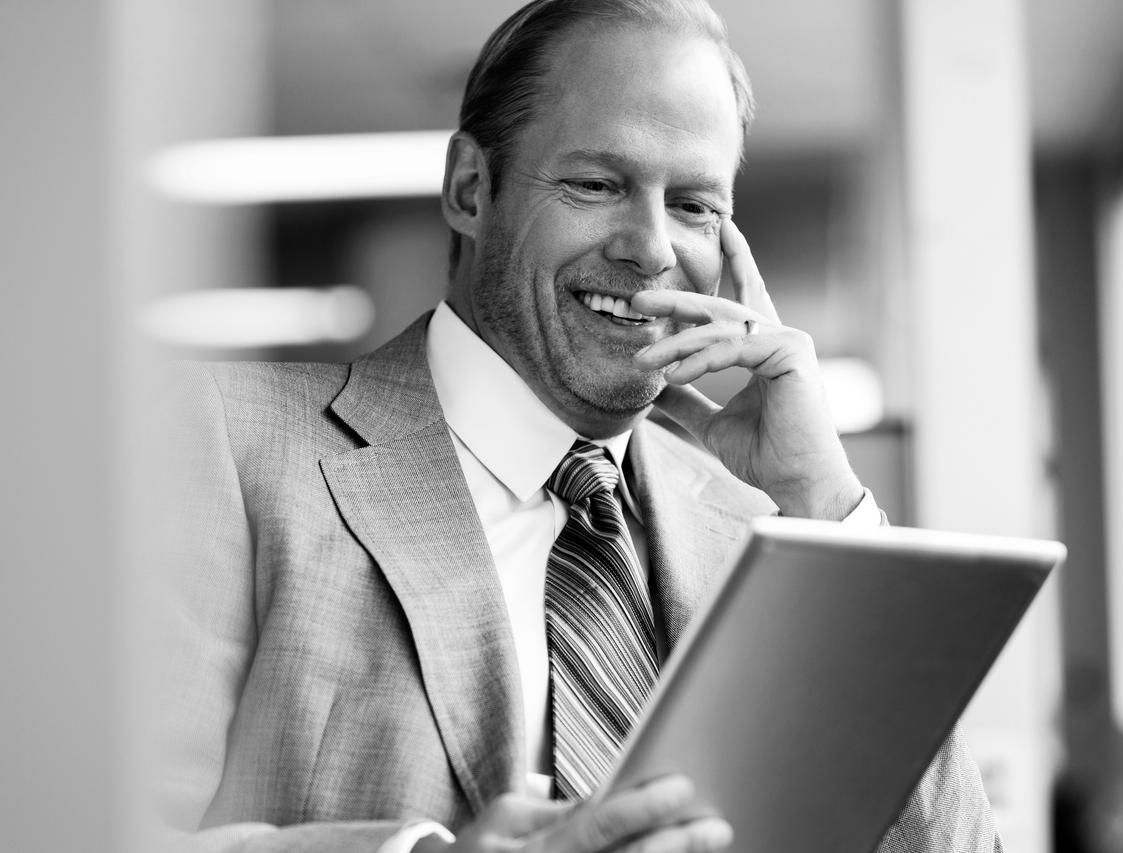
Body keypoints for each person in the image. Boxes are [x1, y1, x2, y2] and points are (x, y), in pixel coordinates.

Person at [159, 1, 1002, 851]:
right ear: (469, 188)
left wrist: (826, 500)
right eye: (597, 185)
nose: (651, 249)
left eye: (696, 205)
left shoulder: (760, 528)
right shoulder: (218, 446)